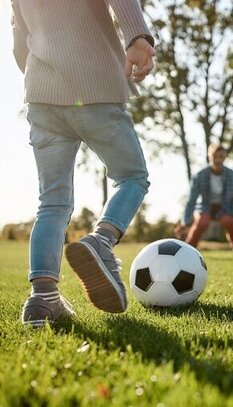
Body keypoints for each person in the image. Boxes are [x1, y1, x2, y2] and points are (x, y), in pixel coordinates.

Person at [12, 0, 156, 327]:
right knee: (133, 177)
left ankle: (42, 300)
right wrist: (138, 37)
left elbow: (20, 42)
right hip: (94, 86)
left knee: (52, 202)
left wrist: (46, 74)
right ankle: (102, 240)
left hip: (42, 97)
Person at [174, 144, 233, 256]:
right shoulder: (200, 175)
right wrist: (185, 221)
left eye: (221, 156)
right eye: (214, 156)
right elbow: (191, 200)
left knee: (229, 221)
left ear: (225, 157)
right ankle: (188, 249)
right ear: (209, 156)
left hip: (223, 209)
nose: (217, 160)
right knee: (202, 222)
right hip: (204, 208)